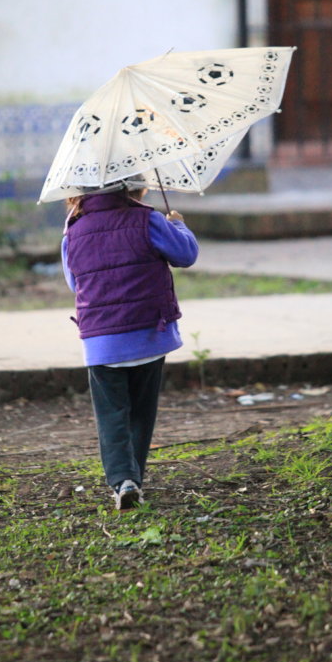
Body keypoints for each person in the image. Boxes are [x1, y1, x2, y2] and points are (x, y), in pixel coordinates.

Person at [61, 178, 199, 510]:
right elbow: (185, 255)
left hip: (102, 342)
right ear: (132, 186)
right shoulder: (148, 219)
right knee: (141, 411)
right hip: (148, 335)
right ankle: (135, 478)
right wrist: (178, 226)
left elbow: (73, 282)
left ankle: (123, 480)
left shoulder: (73, 232)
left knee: (112, 415)